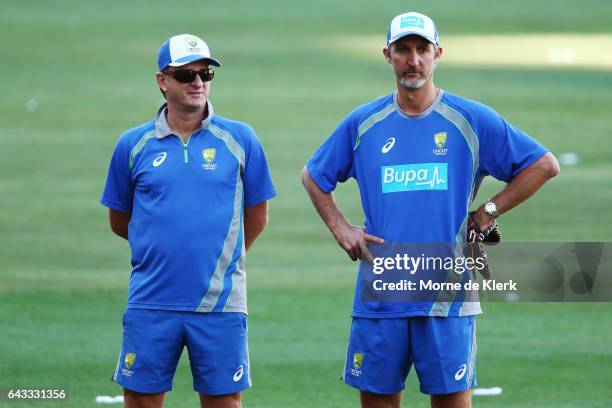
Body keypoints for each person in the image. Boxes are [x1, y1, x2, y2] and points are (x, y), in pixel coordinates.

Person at [301, 12, 559, 408]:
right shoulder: (364, 123)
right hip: (382, 293)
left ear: (438, 54)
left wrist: (489, 209)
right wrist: (341, 228)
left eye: (422, 50)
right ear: (387, 55)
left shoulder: (470, 119)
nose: (413, 60)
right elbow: (313, 176)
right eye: (403, 50)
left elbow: (543, 165)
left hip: (448, 298)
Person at [100, 33, 276, 408]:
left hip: (221, 302)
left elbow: (257, 215)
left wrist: (225, 258)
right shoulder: (132, 145)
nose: (198, 82)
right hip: (151, 300)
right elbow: (120, 219)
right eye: (185, 74)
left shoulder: (240, 139)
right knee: (141, 400)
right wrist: (158, 251)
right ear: (162, 81)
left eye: (206, 73)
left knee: (224, 401)